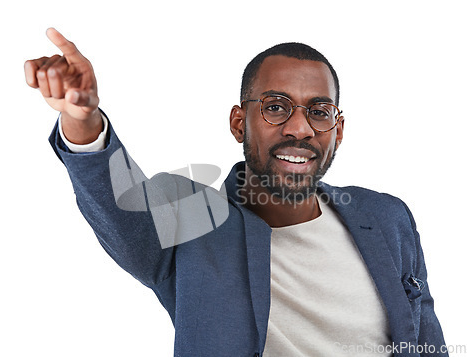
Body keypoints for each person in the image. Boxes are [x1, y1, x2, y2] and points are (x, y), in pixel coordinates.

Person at [25, 28, 448, 356]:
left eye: (319, 112)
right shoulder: (190, 221)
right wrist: (84, 123)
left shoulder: (387, 217)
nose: (299, 129)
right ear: (239, 123)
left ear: (337, 131)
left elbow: (426, 337)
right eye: (275, 107)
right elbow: (121, 209)